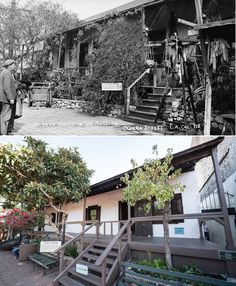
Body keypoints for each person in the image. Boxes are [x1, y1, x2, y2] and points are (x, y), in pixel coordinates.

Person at [0, 59, 17, 135]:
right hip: (6, 99)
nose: (15, 66)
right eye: (14, 64)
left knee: (3, 115)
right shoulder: (7, 73)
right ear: (9, 66)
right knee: (5, 116)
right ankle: (3, 134)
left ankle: (3, 132)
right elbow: (7, 87)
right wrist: (10, 98)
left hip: (4, 98)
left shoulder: (5, 72)